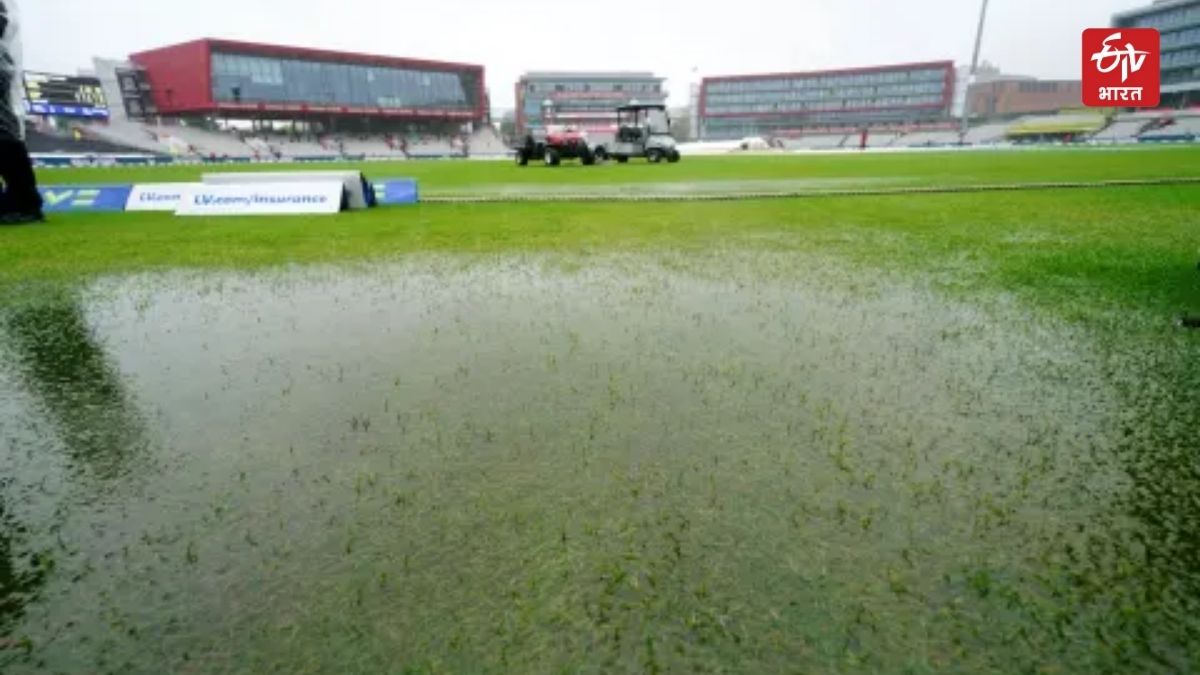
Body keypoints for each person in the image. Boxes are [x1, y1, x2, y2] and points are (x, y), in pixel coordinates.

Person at [0, 0, 42, 224]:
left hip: (4, 127)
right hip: (6, 128)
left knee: (14, 165)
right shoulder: (4, 51)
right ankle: (23, 206)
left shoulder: (2, 54)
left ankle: (26, 207)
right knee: (14, 165)